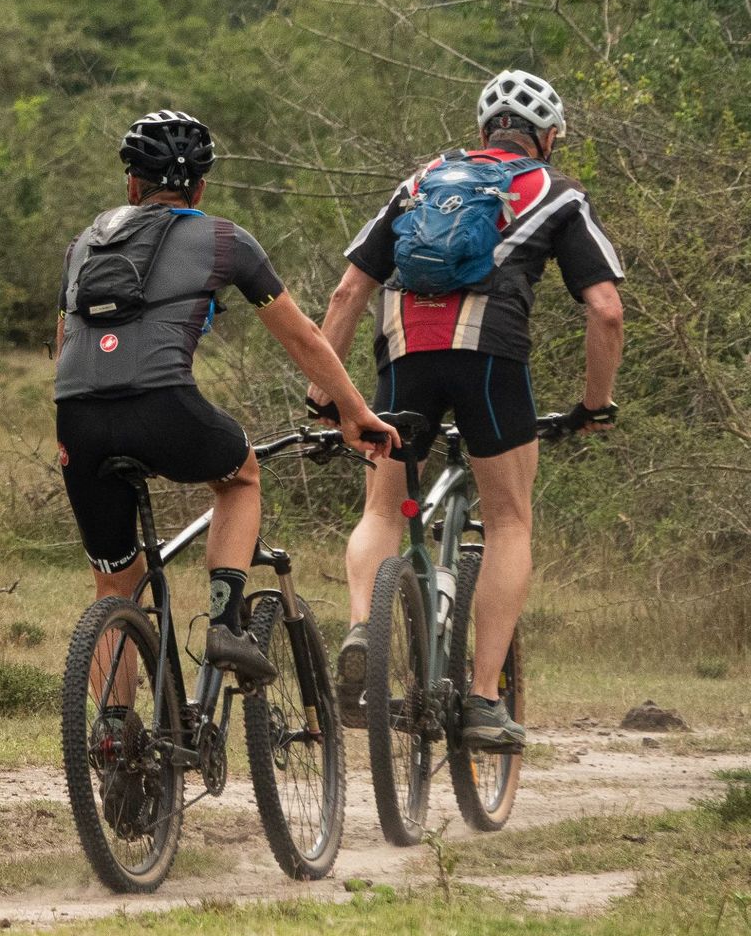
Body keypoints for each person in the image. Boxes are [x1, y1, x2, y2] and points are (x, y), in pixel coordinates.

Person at [309, 70, 623, 751]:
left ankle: (363, 627)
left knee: (382, 509)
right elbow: (606, 309)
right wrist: (594, 405)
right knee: (509, 518)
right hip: (490, 356)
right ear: (546, 138)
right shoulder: (557, 191)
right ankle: (482, 699)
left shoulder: (419, 182)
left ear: (483, 131)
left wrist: (325, 392)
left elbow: (346, 290)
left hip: (404, 349)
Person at [56, 110, 398, 684]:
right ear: (202, 186)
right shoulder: (224, 240)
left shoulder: (81, 246)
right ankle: (224, 625)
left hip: (78, 419)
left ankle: (116, 744)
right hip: (165, 406)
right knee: (239, 477)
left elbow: (66, 343)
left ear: (133, 184)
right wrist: (355, 412)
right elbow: (304, 337)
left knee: (114, 585)